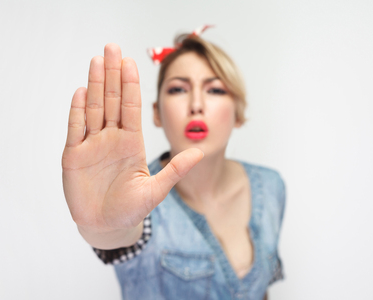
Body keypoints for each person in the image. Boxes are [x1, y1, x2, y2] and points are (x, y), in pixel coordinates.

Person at [62, 26, 286, 300]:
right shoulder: (136, 197)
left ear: (238, 113)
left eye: (215, 90)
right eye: (178, 88)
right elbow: (121, 233)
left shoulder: (270, 186)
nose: (196, 104)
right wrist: (104, 227)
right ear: (156, 113)